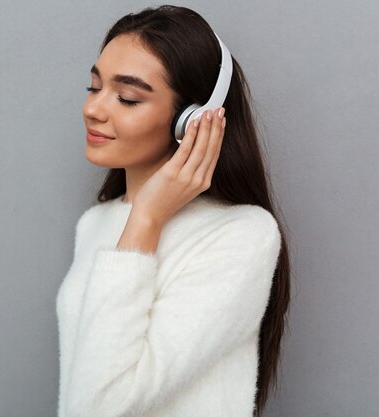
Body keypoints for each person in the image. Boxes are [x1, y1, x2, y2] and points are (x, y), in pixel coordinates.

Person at [55, 5, 291, 417]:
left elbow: (101, 406)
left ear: (192, 120)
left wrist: (146, 219)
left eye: (127, 97)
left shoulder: (241, 235)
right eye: (94, 87)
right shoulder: (96, 223)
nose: (93, 109)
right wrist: (138, 216)